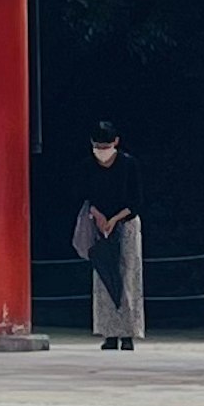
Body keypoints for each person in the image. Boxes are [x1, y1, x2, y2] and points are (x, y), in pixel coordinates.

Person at [74, 123, 145, 349]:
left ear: (116, 142)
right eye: (97, 146)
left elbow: (136, 201)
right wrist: (98, 216)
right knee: (103, 277)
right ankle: (109, 333)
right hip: (99, 224)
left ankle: (128, 334)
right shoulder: (87, 165)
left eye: (105, 145)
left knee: (128, 276)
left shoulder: (129, 164)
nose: (101, 150)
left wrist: (114, 219)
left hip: (126, 223)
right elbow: (84, 196)